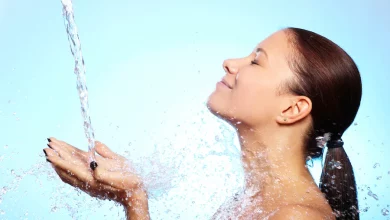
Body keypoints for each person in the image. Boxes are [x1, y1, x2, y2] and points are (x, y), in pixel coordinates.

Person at [43, 27, 362, 220]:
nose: (230, 63)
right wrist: (131, 197)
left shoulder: (296, 216)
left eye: (255, 60)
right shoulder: (249, 202)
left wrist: (134, 198)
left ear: (292, 108)